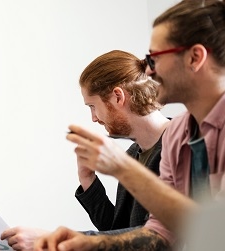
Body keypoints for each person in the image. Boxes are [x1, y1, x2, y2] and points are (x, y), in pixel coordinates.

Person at [35, 1, 225, 250]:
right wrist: (87, 243)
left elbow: (215, 229)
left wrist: (122, 168)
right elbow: (161, 232)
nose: (147, 70)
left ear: (195, 57)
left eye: (154, 58)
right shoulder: (179, 133)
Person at [0, 50, 169, 251]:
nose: (94, 118)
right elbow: (118, 232)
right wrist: (88, 181)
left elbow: (156, 239)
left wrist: (54, 240)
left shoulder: (179, 147)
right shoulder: (133, 153)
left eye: (92, 106)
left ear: (117, 97)